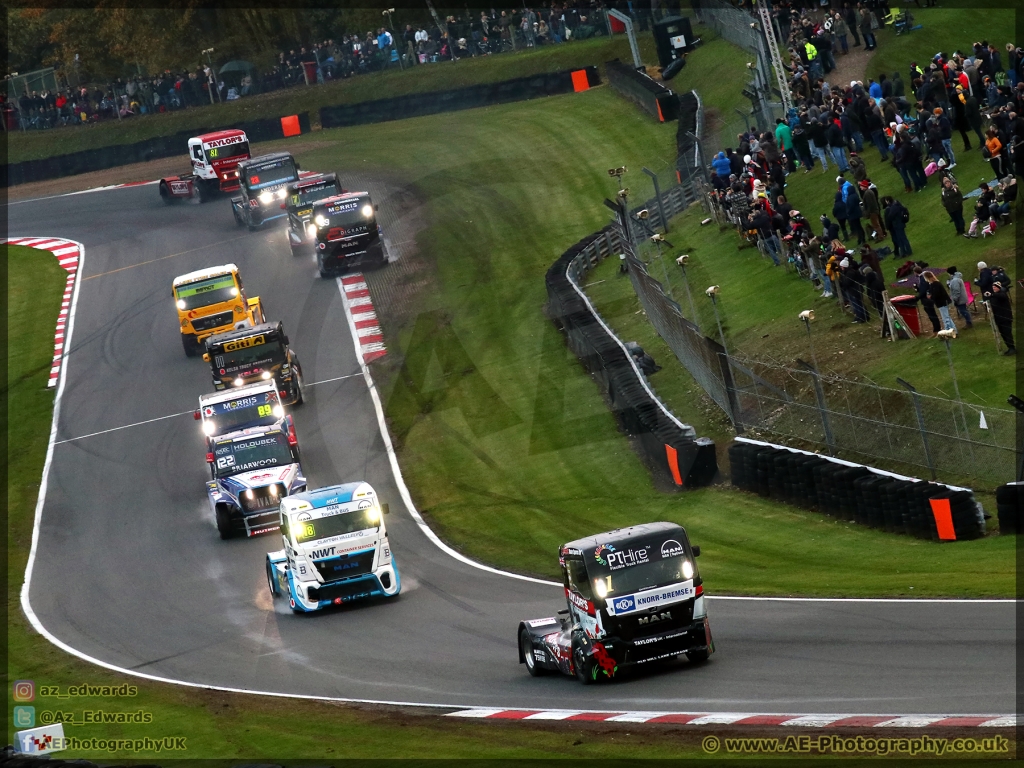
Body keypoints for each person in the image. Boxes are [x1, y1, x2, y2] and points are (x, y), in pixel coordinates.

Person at [985, 280, 1015, 354]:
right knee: (1003, 334)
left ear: (999, 287)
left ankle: (1012, 348)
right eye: (993, 287)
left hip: (1005, 318)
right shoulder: (994, 295)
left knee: (1007, 333)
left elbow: (1000, 296)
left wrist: (991, 295)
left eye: (995, 287)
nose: (994, 288)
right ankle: (1009, 347)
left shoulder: (1002, 294)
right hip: (998, 318)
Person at [913, 267, 941, 335]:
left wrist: (918, 297)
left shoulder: (923, 278)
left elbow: (924, 290)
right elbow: (922, 289)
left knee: (932, 314)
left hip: (927, 299)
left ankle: (937, 329)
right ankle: (936, 329)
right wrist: (917, 288)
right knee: (930, 314)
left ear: (916, 272)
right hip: (926, 299)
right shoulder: (921, 278)